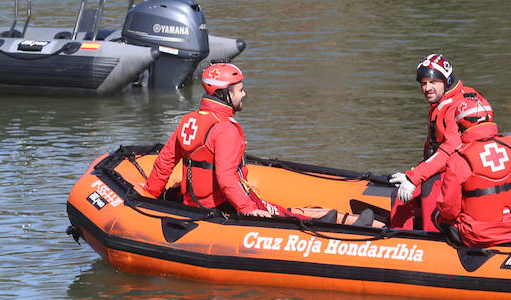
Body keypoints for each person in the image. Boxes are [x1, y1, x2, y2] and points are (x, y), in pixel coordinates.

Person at [140, 64, 370, 224]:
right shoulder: (224, 129)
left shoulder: (189, 120)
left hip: (195, 204)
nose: (244, 94)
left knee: (275, 208)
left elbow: (164, 162)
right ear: (224, 94)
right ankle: (327, 227)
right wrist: (248, 210)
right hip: (219, 208)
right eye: (239, 90)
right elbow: (227, 178)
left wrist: (149, 196)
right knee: (275, 215)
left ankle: (321, 218)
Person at [432, 92, 511, 246]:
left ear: (461, 125)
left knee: (438, 215)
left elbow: (449, 209)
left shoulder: (458, 159)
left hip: (481, 237)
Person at [389, 53, 492, 231]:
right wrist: (411, 174)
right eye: (423, 83)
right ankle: (400, 241)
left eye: (433, 82)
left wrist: (414, 177)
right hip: (454, 165)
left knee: (430, 185)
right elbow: (434, 149)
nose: (427, 88)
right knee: (399, 195)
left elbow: (448, 150)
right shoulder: (443, 101)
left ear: (446, 81)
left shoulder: (455, 107)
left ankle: (431, 241)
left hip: (466, 170)